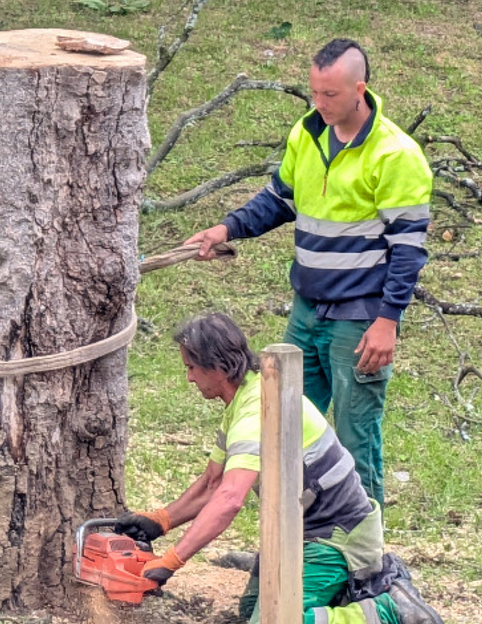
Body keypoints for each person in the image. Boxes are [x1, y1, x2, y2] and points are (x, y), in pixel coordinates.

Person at [183, 38, 433, 507]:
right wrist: (226, 229)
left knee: (355, 443)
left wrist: (387, 321)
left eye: (330, 95)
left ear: (359, 90)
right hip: (306, 312)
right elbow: (278, 201)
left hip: (358, 320)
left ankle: (364, 546)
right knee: (286, 430)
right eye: (314, 92)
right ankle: (296, 540)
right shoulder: (307, 133)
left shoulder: (396, 154)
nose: (319, 103)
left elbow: (408, 249)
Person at [117, 313, 450, 624]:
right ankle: (349, 593)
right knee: (252, 609)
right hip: (300, 533)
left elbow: (229, 499)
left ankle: (392, 617)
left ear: (218, 367)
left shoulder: (254, 412)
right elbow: (213, 483)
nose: (188, 377)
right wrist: (161, 520)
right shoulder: (244, 399)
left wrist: (172, 560)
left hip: (334, 538)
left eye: (191, 368)